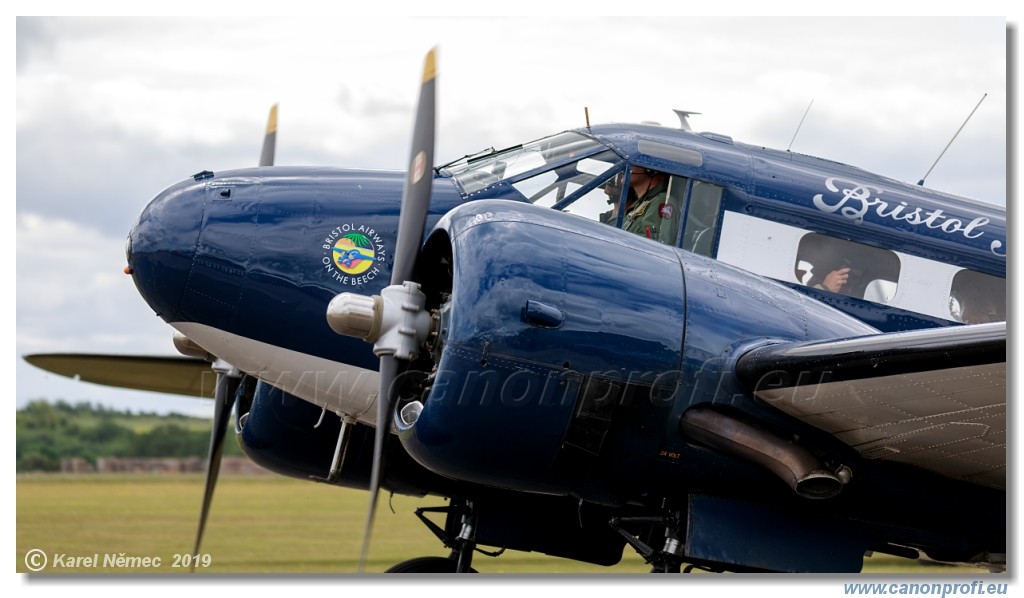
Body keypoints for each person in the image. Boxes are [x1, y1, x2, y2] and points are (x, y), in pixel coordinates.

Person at [621, 167, 675, 244]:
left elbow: (649, 245)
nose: (625, 168)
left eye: (634, 164)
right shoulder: (641, 203)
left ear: (651, 170)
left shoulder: (661, 201)